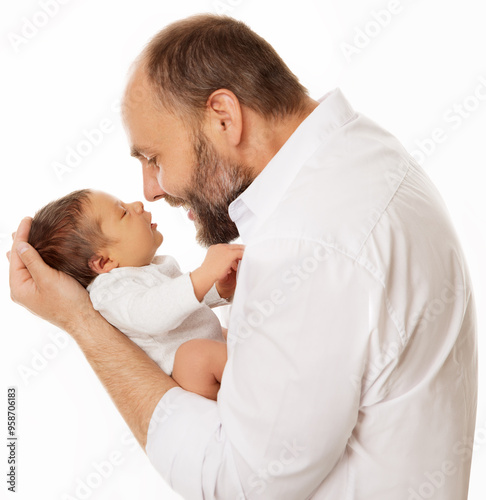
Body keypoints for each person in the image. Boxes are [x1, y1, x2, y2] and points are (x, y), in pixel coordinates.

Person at [9, 14, 477, 500]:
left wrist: (81, 322)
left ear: (223, 118)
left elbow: (240, 485)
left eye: (154, 158)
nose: (151, 190)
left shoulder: (306, 246)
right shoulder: (366, 153)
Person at [27, 188, 244, 400]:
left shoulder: (149, 268)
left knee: (231, 332)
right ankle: (261, 371)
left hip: (213, 355)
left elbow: (183, 304)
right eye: (123, 212)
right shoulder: (110, 292)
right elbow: (155, 313)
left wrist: (218, 289)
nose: (138, 205)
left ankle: (253, 365)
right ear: (104, 261)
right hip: (189, 378)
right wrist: (205, 274)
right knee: (195, 355)